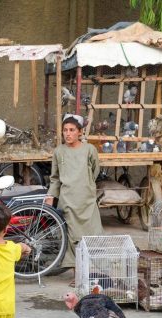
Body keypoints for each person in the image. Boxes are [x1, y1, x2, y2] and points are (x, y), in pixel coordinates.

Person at [45, 115, 103, 284]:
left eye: (72, 130)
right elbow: (55, 178)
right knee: (72, 238)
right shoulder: (59, 152)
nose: (68, 134)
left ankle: (87, 271)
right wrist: (51, 196)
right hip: (68, 200)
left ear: (80, 132)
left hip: (87, 199)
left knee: (90, 235)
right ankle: (77, 274)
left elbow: (95, 171)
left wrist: (87, 186)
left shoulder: (90, 150)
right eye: (65, 130)